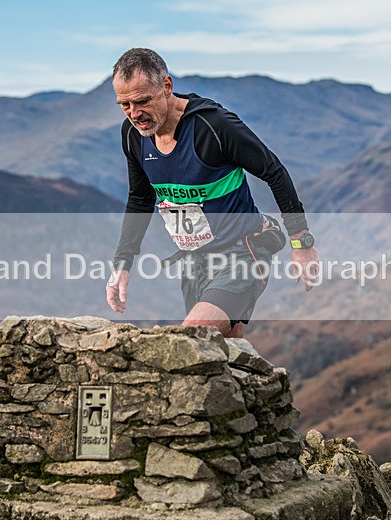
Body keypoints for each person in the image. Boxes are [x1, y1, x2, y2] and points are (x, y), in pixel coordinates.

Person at [106, 48, 319, 337]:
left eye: (142, 101)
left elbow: (274, 172)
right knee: (222, 354)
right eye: (124, 105)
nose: (135, 114)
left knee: (190, 339)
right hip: (195, 261)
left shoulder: (213, 126)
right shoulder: (133, 135)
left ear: (166, 86)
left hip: (243, 252)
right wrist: (123, 263)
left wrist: (301, 243)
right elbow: (140, 198)